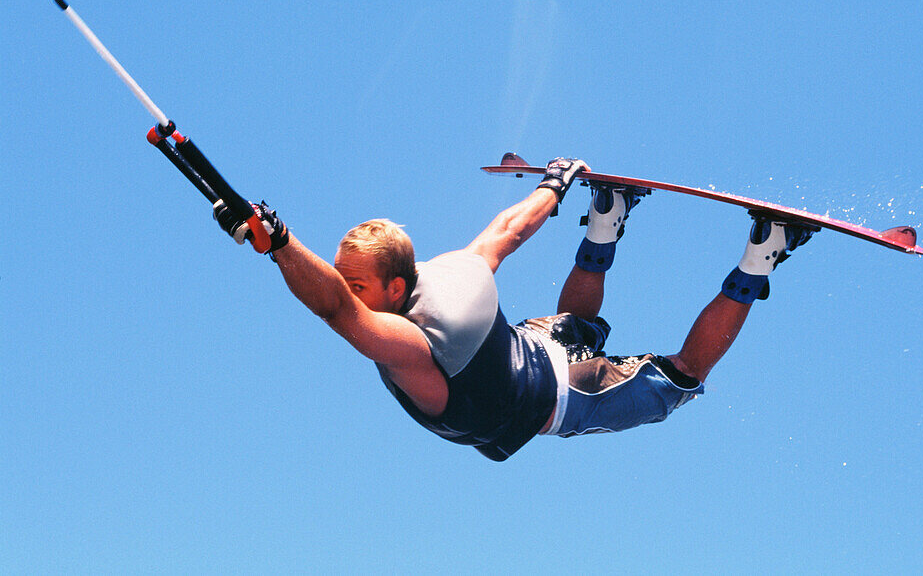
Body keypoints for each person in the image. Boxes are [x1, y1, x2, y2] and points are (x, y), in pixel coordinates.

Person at [214, 158, 813, 461]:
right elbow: (507, 231)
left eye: (359, 285)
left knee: (682, 377)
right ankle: (607, 211)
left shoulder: (410, 347)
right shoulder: (456, 269)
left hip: (562, 394)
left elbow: (336, 312)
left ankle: (765, 249)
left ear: (396, 289)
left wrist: (281, 245)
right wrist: (553, 184)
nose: (351, 292)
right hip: (528, 345)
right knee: (578, 325)